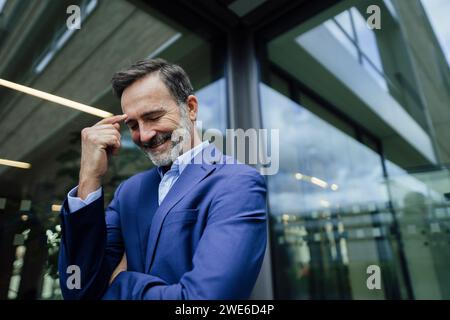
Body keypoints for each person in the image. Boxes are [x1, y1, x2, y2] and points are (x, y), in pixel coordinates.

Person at [58, 58, 267, 300]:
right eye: (133, 125)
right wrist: (89, 178)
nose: (144, 135)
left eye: (154, 116)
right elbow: (78, 289)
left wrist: (120, 282)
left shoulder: (237, 183)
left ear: (190, 108)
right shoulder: (129, 192)